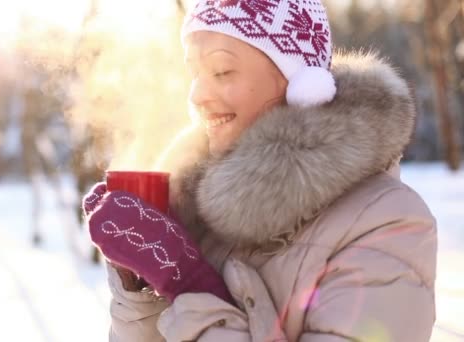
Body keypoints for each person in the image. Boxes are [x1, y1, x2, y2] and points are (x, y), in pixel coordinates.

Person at [82, 0, 438, 341]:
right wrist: (141, 281)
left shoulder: (387, 222)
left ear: (301, 82)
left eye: (222, 71)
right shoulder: (198, 208)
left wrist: (190, 284)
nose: (197, 95)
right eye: (194, 73)